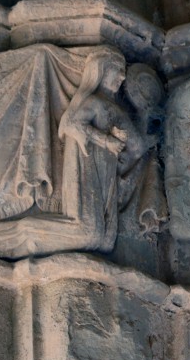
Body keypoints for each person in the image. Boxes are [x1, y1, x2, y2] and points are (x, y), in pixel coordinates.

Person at [58, 47, 140, 249]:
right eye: (117, 69)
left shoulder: (114, 108)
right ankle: (21, 233)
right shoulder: (93, 102)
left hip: (107, 173)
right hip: (89, 172)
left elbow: (137, 146)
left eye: (124, 71)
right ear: (100, 70)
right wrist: (106, 140)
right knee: (90, 234)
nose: (122, 77)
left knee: (107, 241)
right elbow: (71, 124)